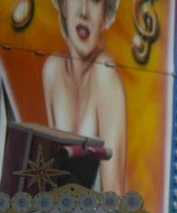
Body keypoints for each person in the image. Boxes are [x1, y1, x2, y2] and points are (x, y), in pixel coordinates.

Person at [43, 0, 126, 193]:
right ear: (63, 5)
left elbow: (114, 193)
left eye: (95, 1)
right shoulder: (52, 70)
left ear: (105, 14)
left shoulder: (104, 74)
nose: (84, 12)